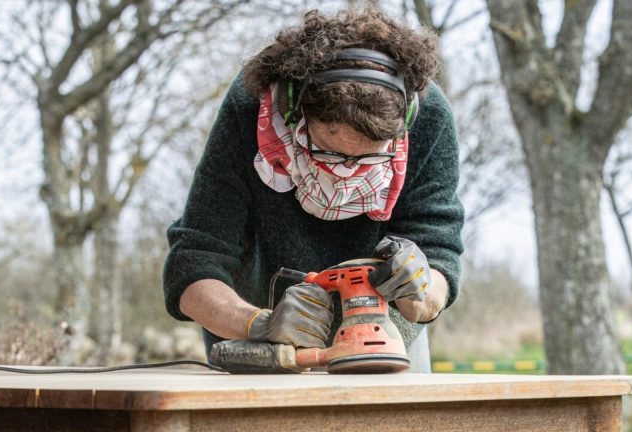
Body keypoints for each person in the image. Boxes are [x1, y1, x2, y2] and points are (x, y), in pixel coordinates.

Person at [162, 7, 464, 373]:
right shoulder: (250, 108)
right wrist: (258, 324)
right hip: (262, 328)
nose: (348, 172)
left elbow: (439, 258)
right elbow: (194, 262)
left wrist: (419, 288)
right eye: (331, 152)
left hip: (382, 338)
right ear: (295, 112)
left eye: (368, 158)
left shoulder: (428, 119)